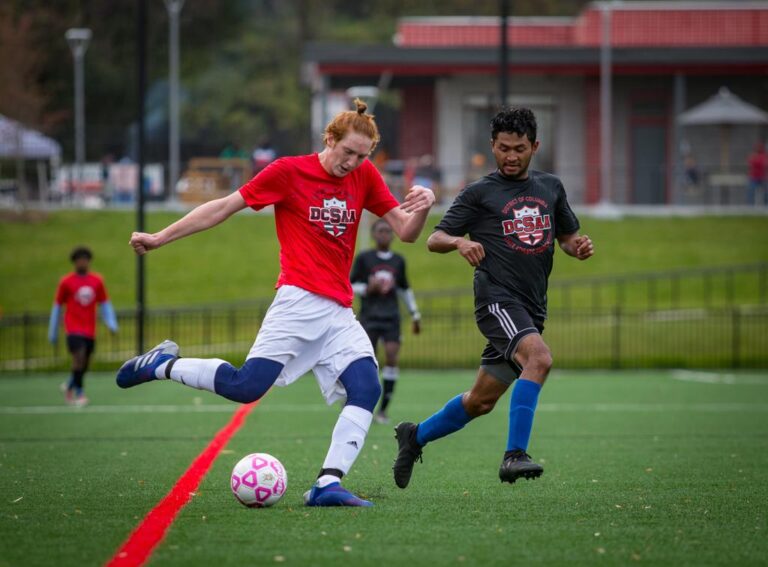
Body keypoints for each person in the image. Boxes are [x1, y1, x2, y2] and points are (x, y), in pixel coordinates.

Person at [117, 100, 435, 507]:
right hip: (298, 300)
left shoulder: (365, 176)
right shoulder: (289, 171)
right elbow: (222, 208)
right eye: (347, 152)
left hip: (338, 310)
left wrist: (423, 207)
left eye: (362, 156)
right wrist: (160, 237)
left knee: (366, 386)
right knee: (246, 386)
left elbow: (407, 232)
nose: (352, 163)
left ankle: (327, 484)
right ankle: (161, 364)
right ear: (330, 139)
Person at [392, 107, 594, 489]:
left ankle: (413, 436)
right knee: (540, 357)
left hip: (531, 307)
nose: (511, 156)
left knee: (480, 402)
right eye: (503, 148)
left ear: (535, 146)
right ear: (492, 146)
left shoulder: (550, 187)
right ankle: (514, 455)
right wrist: (459, 241)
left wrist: (577, 247)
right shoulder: (480, 192)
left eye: (519, 148)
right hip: (496, 302)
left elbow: (567, 237)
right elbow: (435, 238)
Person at [351, 219, 421, 425]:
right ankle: (360, 405)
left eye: (388, 231)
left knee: (391, 357)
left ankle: (383, 410)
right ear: (373, 235)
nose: (384, 235)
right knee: (367, 362)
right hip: (369, 317)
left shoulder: (398, 260)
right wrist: (367, 289)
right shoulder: (364, 258)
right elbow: (350, 285)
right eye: (380, 231)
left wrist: (415, 314)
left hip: (391, 317)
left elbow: (404, 289)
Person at [48, 247, 119, 406]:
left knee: (85, 363)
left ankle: (70, 384)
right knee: (78, 358)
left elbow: (105, 304)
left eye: (85, 259)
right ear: (74, 262)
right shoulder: (66, 282)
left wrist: (112, 323)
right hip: (73, 328)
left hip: (89, 329)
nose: (82, 262)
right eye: (79, 259)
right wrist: (52, 331)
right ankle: (79, 393)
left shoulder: (97, 281)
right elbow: (57, 306)